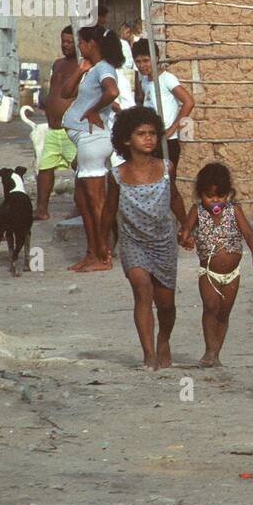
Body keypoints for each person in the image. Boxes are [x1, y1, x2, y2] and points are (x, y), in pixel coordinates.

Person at [101, 106, 190, 370]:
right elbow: (108, 210)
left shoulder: (166, 168)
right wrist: (101, 243)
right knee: (142, 292)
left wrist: (186, 226)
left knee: (166, 304)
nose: (149, 138)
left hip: (163, 242)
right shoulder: (117, 175)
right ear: (127, 140)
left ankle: (163, 340)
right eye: (141, 134)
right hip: (133, 242)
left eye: (152, 133)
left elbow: (174, 198)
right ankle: (148, 354)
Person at [178, 163, 253, 367]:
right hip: (208, 272)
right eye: (209, 196)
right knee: (210, 308)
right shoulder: (197, 211)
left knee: (224, 313)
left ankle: (216, 354)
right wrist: (185, 239)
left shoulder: (234, 210)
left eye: (220, 195)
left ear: (229, 194)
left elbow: (249, 234)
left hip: (232, 274)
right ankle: (209, 350)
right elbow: (184, 232)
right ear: (200, 195)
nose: (215, 200)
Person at [61, 25, 124, 272]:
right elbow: (66, 93)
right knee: (82, 200)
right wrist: (80, 69)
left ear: (91, 44)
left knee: (96, 201)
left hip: (93, 140)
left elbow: (113, 91)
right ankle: (91, 252)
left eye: (81, 42)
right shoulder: (92, 69)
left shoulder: (105, 69)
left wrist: (93, 110)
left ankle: (103, 255)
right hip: (84, 140)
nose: (78, 46)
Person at [132, 40, 195, 186]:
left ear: (156, 58)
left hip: (167, 141)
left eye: (146, 60)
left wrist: (172, 128)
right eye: (138, 61)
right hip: (151, 140)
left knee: (167, 183)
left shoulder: (167, 79)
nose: (142, 65)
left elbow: (188, 102)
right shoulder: (145, 82)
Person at [35, 26, 79, 220]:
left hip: (71, 129)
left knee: (81, 170)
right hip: (53, 129)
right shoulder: (57, 64)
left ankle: (79, 208)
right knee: (44, 168)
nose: (66, 45)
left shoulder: (83, 66)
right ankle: (41, 209)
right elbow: (53, 90)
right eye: (64, 41)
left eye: (70, 42)